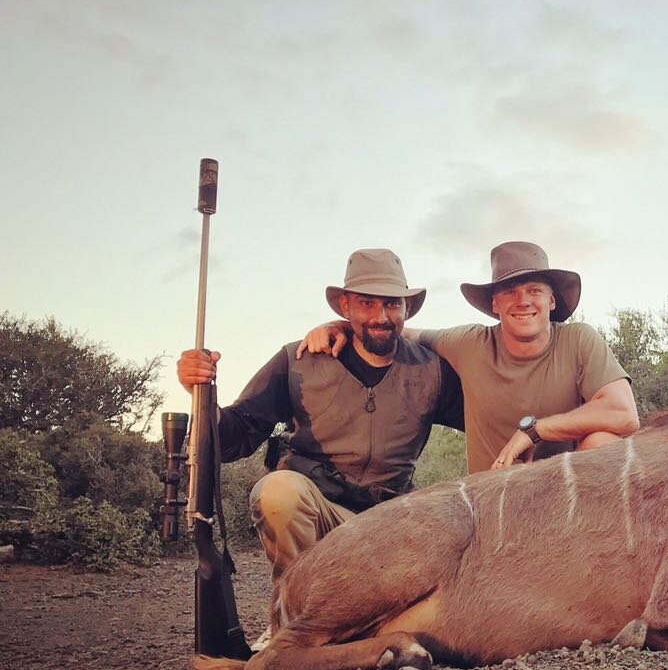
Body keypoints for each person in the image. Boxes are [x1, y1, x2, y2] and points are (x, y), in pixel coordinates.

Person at [176, 248, 464, 590]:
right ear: (345, 307)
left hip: (392, 519)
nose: (381, 316)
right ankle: (293, 613)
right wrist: (202, 396)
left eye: (392, 304)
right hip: (320, 511)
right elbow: (235, 437)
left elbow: (485, 416)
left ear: (407, 309)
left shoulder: (432, 371)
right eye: (366, 303)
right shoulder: (297, 361)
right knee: (278, 492)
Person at [299, 241, 638, 473]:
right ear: (495, 304)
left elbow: (624, 414)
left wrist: (537, 431)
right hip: (494, 495)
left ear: (551, 301)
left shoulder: (580, 339)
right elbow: (399, 330)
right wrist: (345, 325)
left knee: (603, 444)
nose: (523, 301)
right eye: (509, 293)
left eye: (534, 291)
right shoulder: (469, 343)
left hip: (567, 493)